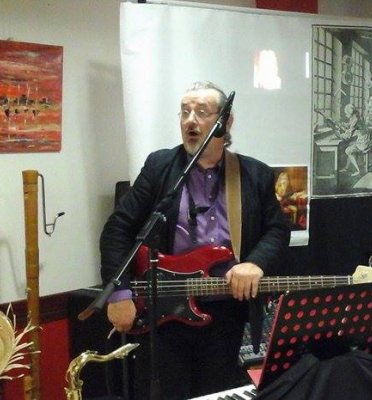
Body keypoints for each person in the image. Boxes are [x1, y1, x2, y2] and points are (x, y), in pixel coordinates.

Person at [100, 81, 290, 399]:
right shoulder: (160, 166)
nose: (190, 120)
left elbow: (277, 229)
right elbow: (118, 228)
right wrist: (118, 293)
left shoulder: (253, 173)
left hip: (226, 310)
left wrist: (255, 263)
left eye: (202, 112)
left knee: (217, 392)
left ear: (225, 122)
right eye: (185, 112)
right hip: (164, 311)